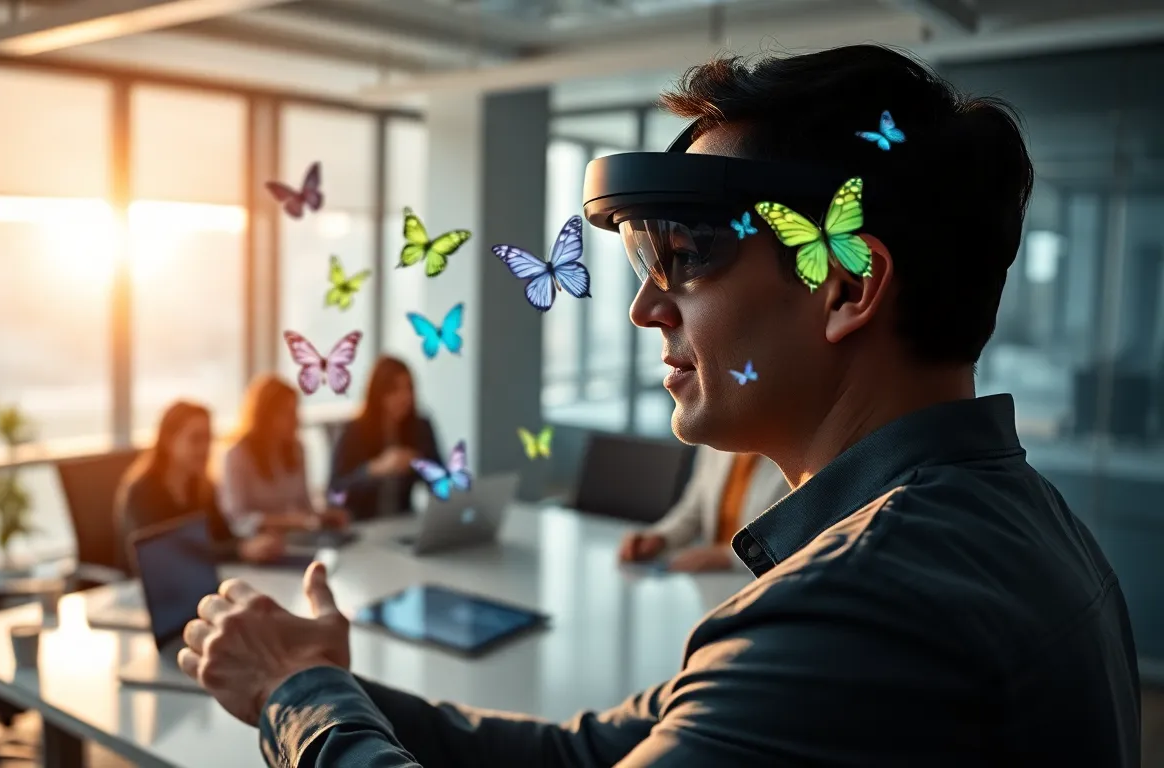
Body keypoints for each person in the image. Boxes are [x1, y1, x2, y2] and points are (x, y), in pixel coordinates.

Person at [176, 45, 1140, 766]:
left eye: (687, 256)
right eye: (644, 261)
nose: (644, 307)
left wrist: (296, 698)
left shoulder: (860, 608)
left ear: (845, 286)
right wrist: (330, 684)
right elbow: (585, 755)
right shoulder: (1029, 525)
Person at [114, 400, 284, 571]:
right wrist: (240, 550)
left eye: (208, 438)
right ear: (168, 441)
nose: (205, 448)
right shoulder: (142, 491)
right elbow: (164, 554)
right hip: (146, 582)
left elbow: (223, 536)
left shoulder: (202, 487)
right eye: (195, 439)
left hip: (195, 575)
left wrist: (254, 543)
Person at [619, 447, 787, 571]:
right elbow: (692, 512)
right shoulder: (714, 441)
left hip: (765, 583)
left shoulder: (795, 454)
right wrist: (661, 538)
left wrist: (727, 558)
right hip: (712, 584)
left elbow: (794, 540)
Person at [220, 375, 349, 536]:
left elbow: (304, 507)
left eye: (295, 411)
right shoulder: (236, 455)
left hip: (298, 537)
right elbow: (237, 518)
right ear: (265, 416)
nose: (296, 420)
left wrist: (324, 516)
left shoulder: (297, 449)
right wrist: (289, 521)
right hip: (258, 542)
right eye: (287, 413)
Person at [326, 356, 441, 521]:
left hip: (403, 521)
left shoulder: (420, 427)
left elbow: (440, 482)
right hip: (363, 524)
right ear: (379, 393)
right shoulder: (354, 431)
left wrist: (420, 464)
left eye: (408, 388)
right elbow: (334, 493)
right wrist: (374, 469)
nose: (404, 397)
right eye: (395, 389)